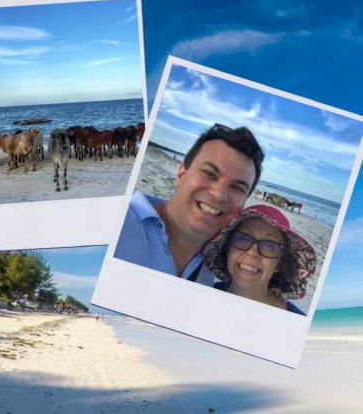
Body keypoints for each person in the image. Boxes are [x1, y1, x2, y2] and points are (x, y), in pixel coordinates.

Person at [114, 123, 265, 286]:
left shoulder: (209, 272)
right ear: (181, 174)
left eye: (237, 187)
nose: (219, 194)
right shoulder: (121, 223)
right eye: (209, 173)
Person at [203, 204, 317, 315]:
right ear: (227, 248)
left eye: (269, 246)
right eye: (243, 238)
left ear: (279, 264)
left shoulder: (297, 325)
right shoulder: (205, 293)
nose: (252, 252)